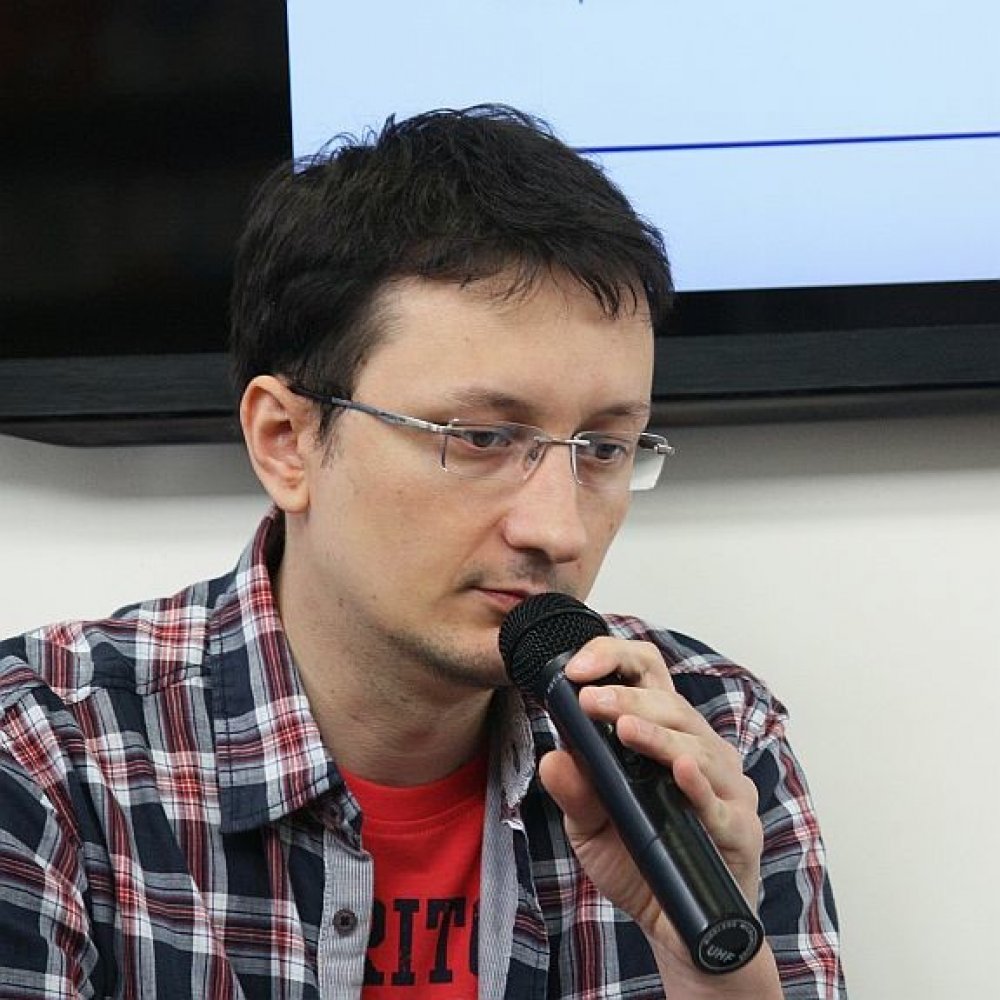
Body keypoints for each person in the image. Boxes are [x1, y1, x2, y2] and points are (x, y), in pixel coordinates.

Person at [0, 105, 846, 999]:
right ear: (286, 441)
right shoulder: (45, 754)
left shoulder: (708, 736)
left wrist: (711, 967)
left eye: (603, 448)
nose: (557, 530)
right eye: (481, 437)